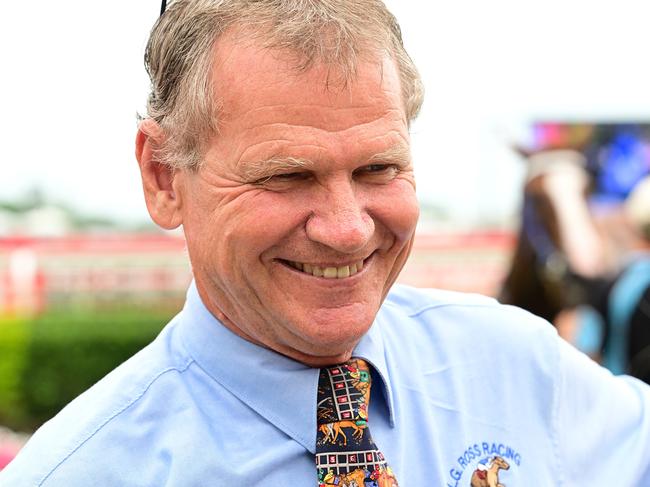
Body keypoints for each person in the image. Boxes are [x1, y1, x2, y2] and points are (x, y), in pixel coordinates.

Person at [2, 1, 650, 485]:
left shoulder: (518, 369)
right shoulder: (82, 471)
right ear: (163, 176)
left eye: (377, 168)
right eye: (287, 176)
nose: (346, 227)